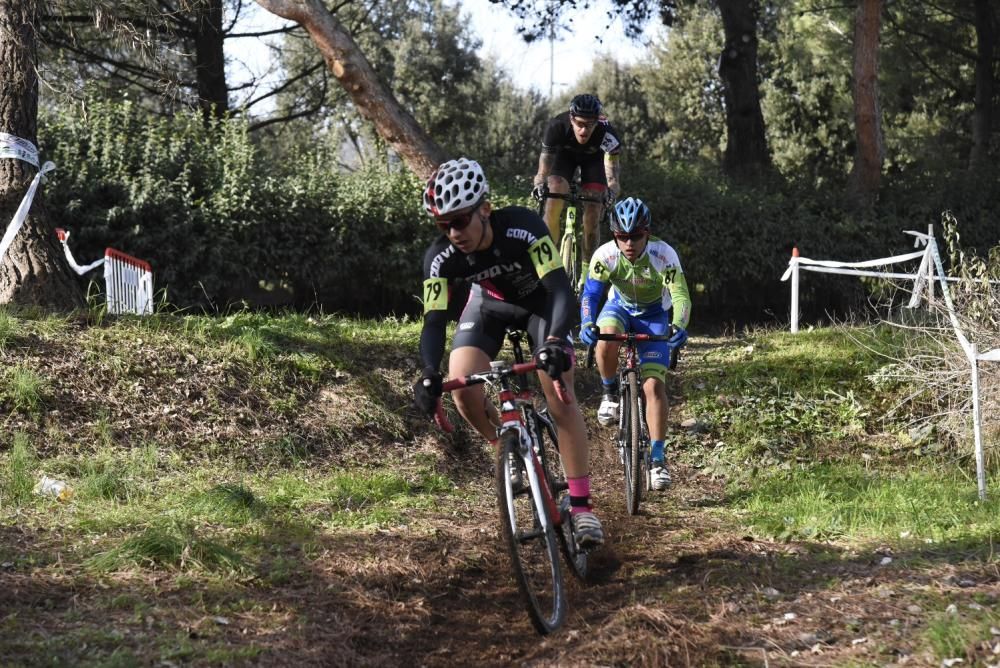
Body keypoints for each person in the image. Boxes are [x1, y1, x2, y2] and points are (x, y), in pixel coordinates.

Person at [412, 157, 605, 550]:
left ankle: (582, 506)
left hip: (540, 304)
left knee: (556, 387)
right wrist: (429, 372)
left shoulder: (523, 228)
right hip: (489, 308)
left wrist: (553, 340)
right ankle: (508, 449)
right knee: (462, 389)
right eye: (443, 224)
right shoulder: (440, 258)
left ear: (484, 208)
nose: (453, 233)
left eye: (460, 220)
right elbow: (433, 322)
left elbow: (559, 289)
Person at [578, 197, 691, 491]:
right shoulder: (606, 256)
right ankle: (609, 393)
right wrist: (587, 322)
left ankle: (657, 459)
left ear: (647, 234)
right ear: (615, 235)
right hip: (620, 308)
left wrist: (679, 324)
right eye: (622, 236)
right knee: (606, 335)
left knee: (653, 386)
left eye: (636, 236)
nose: (629, 243)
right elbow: (591, 295)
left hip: (654, 314)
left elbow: (680, 296)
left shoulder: (663, 255)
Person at [531, 93, 622, 280]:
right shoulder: (557, 126)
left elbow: (613, 180)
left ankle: (587, 274)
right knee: (554, 192)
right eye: (579, 124)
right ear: (571, 118)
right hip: (564, 159)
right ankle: (548, 268)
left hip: (594, 161)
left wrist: (611, 193)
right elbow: (542, 172)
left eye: (589, 125)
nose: (583, 130)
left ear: (598, 121)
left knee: (592, 213)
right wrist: (540, 184)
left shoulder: (608, 134)